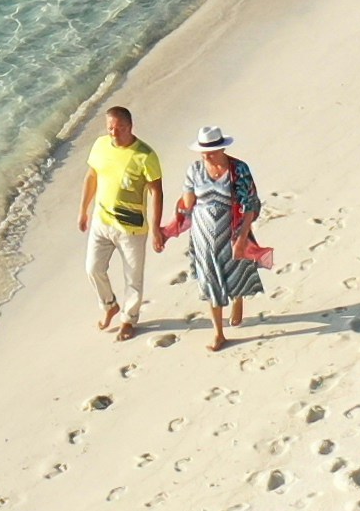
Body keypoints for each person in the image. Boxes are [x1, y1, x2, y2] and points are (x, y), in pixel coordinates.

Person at [176, 126, 271, 349]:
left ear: (222, 148)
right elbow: (188, 203)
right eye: (203, 152)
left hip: (233, 230)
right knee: (210, 281)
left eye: (211, 151)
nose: (207, 156)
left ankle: (238, 299)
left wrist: (243, 236)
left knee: (237, 272)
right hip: (203, 237)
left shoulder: (239, 169)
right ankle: (219, 333)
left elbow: (249, 204)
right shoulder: (195, 170)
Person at [80, 104, 163, 339]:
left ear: (130, 127)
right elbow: (91, 177)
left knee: (133, 279)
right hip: (101, 221)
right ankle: (109, 306)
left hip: (131, 228)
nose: (114, 133)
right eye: (110, 128)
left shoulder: (145, 155)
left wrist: (156, 228)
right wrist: (83, 210)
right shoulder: (100, 145)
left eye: (119, 128)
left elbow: (156, 192)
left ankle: (128, 319)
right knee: (93, 269)